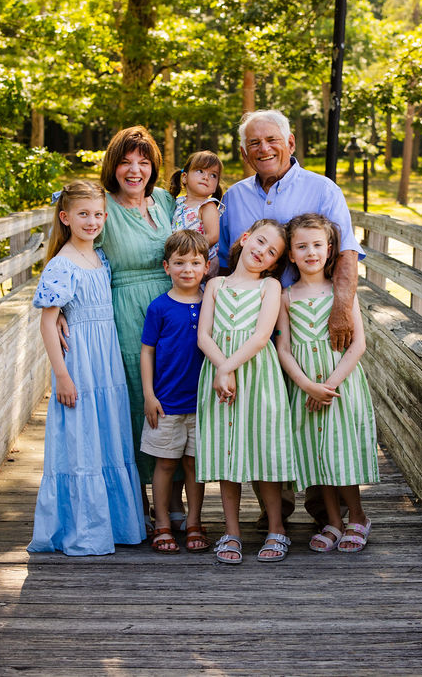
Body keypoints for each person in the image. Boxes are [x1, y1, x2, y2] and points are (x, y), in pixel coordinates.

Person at [219, 108, 366, 526]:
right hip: (249, 326)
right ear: (244, 151)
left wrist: (341, 310)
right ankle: (274, 513)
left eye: (271, 140)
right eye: (253, 143)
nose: (263, 148)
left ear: (291, 143)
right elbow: (225, 259)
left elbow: (347, 252)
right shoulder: (235, 197)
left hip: (311, 320)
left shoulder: (322, 189)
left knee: (316, 411)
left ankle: (328, 513)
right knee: (265, 414)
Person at [27, 180, 147, 556]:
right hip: (80, 362)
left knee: (108, 433)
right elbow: (48, 323)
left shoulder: (100, 258)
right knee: (81, 440)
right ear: (65, 218)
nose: (92, 221)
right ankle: (84, 529)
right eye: (83, 214)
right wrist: (62, 374)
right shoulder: (61, 264)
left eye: (98, 214)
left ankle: (115, 524)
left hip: (106, 361)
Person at [276, 213, 379, 553]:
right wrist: (307, 385)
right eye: (301, 246)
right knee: (316, 454)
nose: (310, 253)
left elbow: (358, 345)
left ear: (330, 248)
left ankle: (358, 517)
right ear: (291, 254)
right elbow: (284, 349)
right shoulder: (286, 296)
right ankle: (333, 521)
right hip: (305, 388)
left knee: (342, 453)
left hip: (340, 388)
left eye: (317, 245)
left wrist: (329, 386)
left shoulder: (342, 293)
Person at [195, 219, 294, 564]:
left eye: (271, 253)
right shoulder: (215, 284)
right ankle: (232, 530)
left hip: (257, 376)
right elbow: (204, 335)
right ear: (245, 237)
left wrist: (227, 367)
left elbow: (261, 336)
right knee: (226, 451)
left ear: (274, 263)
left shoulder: (270, 288)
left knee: (262, 449)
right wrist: (221, 368)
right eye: (260, 242)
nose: (261, 252)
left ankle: (277, 528)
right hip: (219, 377)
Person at [95, 125, 179, 530]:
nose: (134, 170)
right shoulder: (102, 208)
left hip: (175, 308)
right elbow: (74, 255)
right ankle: (139, 503)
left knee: (177, 398)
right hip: (126, 313)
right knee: (136, 403)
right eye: (126, 162)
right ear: (113, 166)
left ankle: (176, 501)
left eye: (143, 162)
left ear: (153, 167)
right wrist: (59, 311)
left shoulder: (164, 200)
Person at [140, 230, 211, 554]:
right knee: (166, 464)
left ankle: (194, 521)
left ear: (206, 267)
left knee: (195, 465)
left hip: (203, 403)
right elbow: (147, 351)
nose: (188, 269)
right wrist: (149, 396)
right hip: (166, 403)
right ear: (166, 267)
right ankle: (164, 522)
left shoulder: (212, 302)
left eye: (195, 262)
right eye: (180, 262)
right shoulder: (160, 307)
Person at [169, 150, 223, 276]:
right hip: (180, 261)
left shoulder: (208, 206)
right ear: (184, 177)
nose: (206, 177)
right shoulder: (179, 203)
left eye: (213, 175)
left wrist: (189, 250)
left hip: (200, 263)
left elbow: (213, 236)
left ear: (216, 186)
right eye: (200, 171)